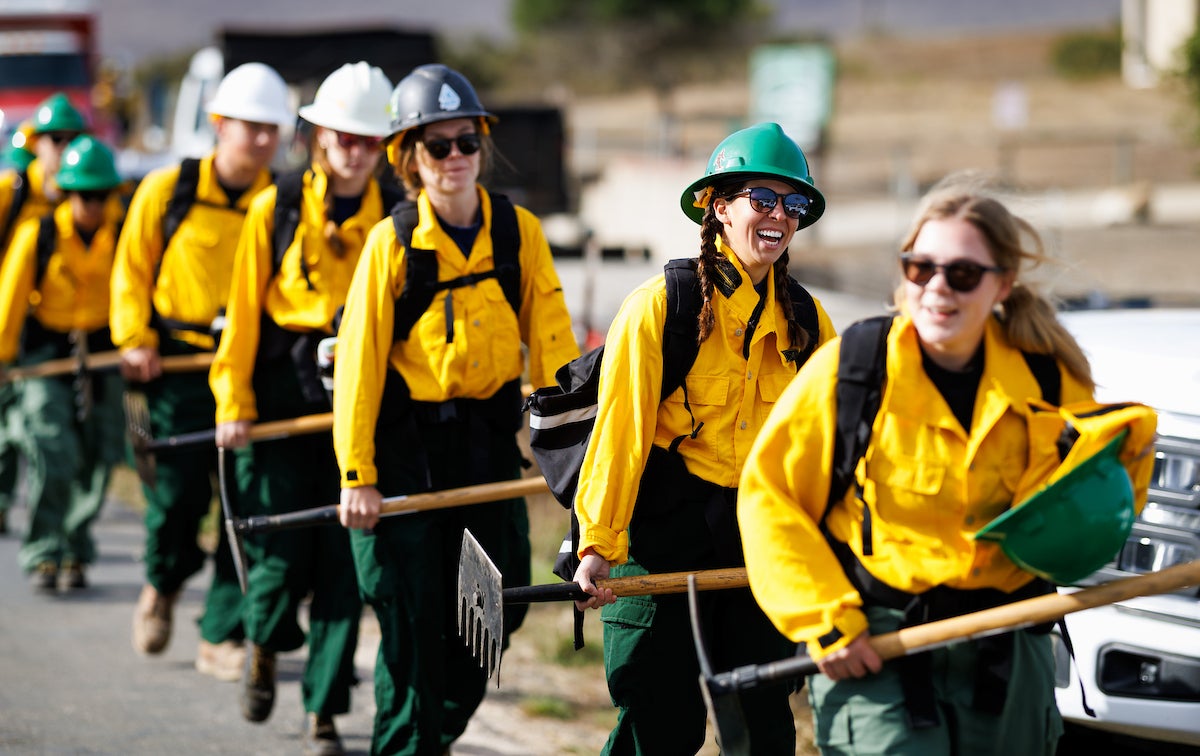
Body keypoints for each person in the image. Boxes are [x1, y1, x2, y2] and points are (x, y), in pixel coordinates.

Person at [737, 176, 1153, 755]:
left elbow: (1110, 475)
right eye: (920, 268)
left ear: (1002, 284)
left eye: (961, 274)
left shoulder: (1049, 379)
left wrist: (1086, 525)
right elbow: (770, 497)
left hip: (1007, 651)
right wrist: (825, 623)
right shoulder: (853, 370)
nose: (937, 288)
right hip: (879, 648)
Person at [569, 121, 838, 755]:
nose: (779, 217)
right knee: (659, 727)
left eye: (793, 204)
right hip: (660, 545)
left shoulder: (807, 321)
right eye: (762, 200)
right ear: (718, 207)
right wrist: (596, 547)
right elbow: (619, 437)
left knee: (762, 727)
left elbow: (830, 448)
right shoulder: (660, 307)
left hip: (757, 550)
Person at [333, 63, 579, 755]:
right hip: (407, 455)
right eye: (435, 146)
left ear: (482, 145)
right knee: (413, 627)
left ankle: (427, 737)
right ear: (409, 159)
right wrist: (358, 475)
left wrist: (573, 461)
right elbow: (355, 369)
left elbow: (557, 351)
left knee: (495, 613)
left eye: (465, 141)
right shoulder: (391, 244)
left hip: (486, 451)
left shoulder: (518, 233)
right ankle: (407, 744)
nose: (454, 159)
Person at [209, 61, 395, 755]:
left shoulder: (398, 223)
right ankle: (261, 641)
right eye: (344, 136)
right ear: (320, 137)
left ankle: (323, 710)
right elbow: (242, 322)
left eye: (369, 141)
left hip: (361, 406)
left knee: (344, 565)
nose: (355, 151)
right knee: (280, 557)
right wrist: (234, 402)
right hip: (281, 401)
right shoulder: (276, 207)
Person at [111, 62, 293, 681]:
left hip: (249, 372)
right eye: (252, 127)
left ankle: (221, 632)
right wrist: (134, 340)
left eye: (272, 129)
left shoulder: (284, 204)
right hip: (178, 370)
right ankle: (162, 584)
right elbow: (131, 272)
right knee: (177, 499)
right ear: (219, 124)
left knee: (243, 502)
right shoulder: (168, 191)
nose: (263, 140)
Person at [0, 135, 125, 591]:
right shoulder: (41, 233)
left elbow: (137, 293)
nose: (93, 205)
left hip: (105, 352)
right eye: (84, 195)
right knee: (53, 449)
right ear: (67, 193)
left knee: (98, 456)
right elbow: (10, 300)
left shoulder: (124, 232)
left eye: (102, 195)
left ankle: (75, 545)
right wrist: (2, 358)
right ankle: (43, 549)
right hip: (46, 354)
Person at [0, 99, 87, 537]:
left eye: (75, 138)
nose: (66, 147)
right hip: (5, 319)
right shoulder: (13, 190)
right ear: (37, 144)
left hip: (45, 327)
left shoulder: (83, 193)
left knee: (38, 426)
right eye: (57, 139)